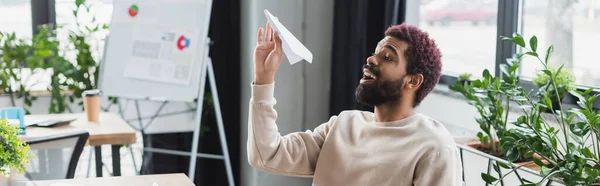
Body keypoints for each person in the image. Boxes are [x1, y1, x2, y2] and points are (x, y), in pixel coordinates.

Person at [247, 22, 463, 186]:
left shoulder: (434, 146)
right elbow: (267, 155)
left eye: (387, 57)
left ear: (413, 80)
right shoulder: (342, 125)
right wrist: (264, 78)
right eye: (375, 52)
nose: (371, 59)